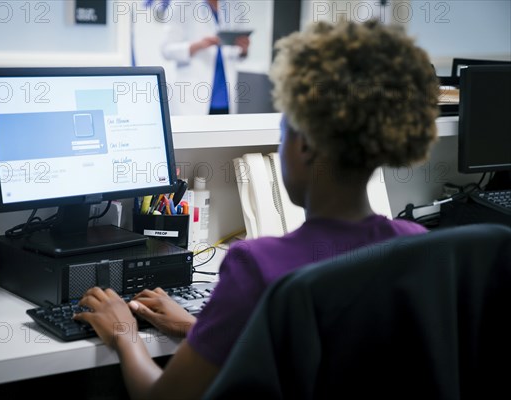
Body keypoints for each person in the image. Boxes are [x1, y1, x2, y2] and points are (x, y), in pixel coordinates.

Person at [74, 19, 440, 399]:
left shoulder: (258, 265)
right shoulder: (417, 245)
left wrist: (123, 334)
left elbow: (162, 397)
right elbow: (319, 355)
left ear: (305, 147)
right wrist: (195, 328)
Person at [160, 0, 250, 115]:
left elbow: (237, 54)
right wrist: (197, 46)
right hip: (192, 95)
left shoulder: (234, 5)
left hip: (225, 95)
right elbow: (166, 49)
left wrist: (243, 49)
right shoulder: (181, 4)